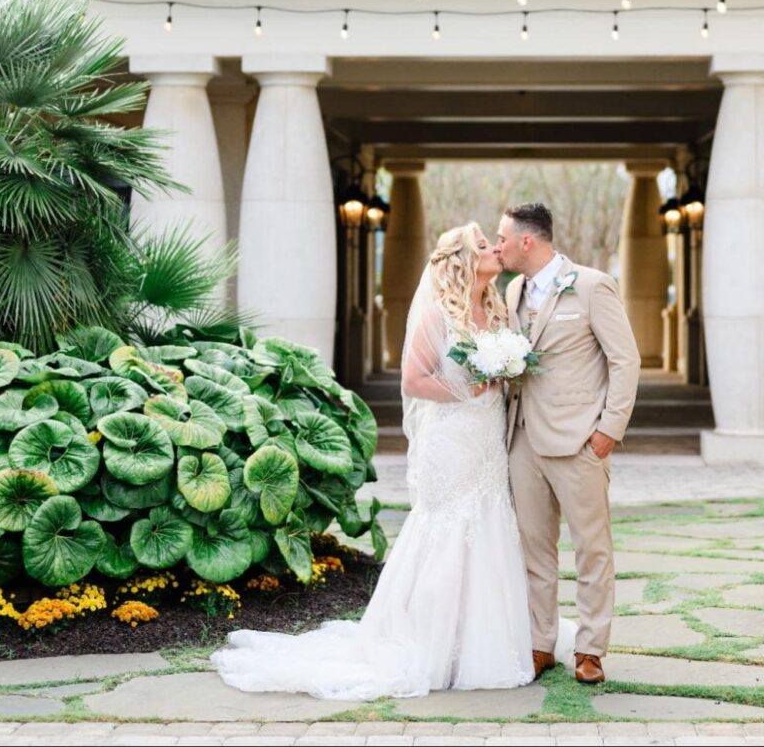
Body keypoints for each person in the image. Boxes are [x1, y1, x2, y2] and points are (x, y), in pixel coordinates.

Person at [211, 222, 544, 700]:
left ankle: (483, 644)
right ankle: (430, 643)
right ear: (464, 260)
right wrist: (465, 388)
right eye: (485, 246)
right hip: (450, 441)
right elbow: (413, 381)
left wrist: (504, 371)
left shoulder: (496, 306)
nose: (495, 249)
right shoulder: (437, 314)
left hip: (487, 441)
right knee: (447, 529)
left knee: (489, 524)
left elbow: (507, 368)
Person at [494, 202, 638, 685]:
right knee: (534, 550)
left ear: (527, 242)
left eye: (503, 238)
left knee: (592, 549)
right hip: (522, 441)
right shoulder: (513, 289)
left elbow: (625, 361)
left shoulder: (593, 285)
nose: (498, 246)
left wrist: (607, 432)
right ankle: (541, 644)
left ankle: (591, 650)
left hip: (579, 442)